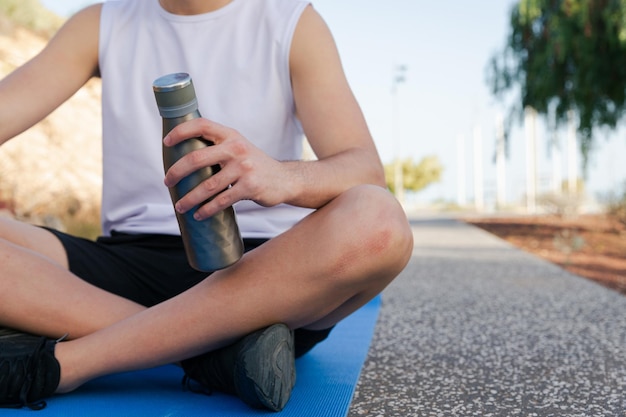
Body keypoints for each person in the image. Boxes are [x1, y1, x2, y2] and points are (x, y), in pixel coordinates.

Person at [0, 0, 413, 412]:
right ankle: (218, 358)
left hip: (267, 279)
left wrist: (282, 177)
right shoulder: (101, 22)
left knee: (378, 220)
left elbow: (363, 169)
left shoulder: (291, 23)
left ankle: (69, 364)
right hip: (121, 267)